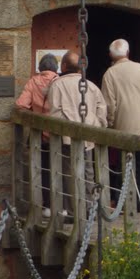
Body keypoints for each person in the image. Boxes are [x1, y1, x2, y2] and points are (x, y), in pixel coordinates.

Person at [101, 37, 140, 209]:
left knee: (122, 168)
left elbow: (109, 105)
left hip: (122, 129)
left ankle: (124, 203)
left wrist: (110, 124)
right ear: (128, 52)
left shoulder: (110, 74)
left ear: (111, 55)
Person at [47, 50, 107, 216]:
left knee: (68, 173)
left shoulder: (57, 85)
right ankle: (89, 208)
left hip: (66, 137)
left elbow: (54, 112)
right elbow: (102, 110)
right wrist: (97, 127)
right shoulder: (91, 86)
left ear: (63, 66)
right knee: (88, 171)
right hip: (88, 136)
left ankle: (73, 209)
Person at [15, 53, 60, 214]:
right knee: (61, 168)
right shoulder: (59, 82)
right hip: (58, 134)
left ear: (40, 67)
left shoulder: (33, 82)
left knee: (44, 170)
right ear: (56, 67)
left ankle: (45, 206)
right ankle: (61, 206)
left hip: (39, 135)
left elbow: (21, 104)